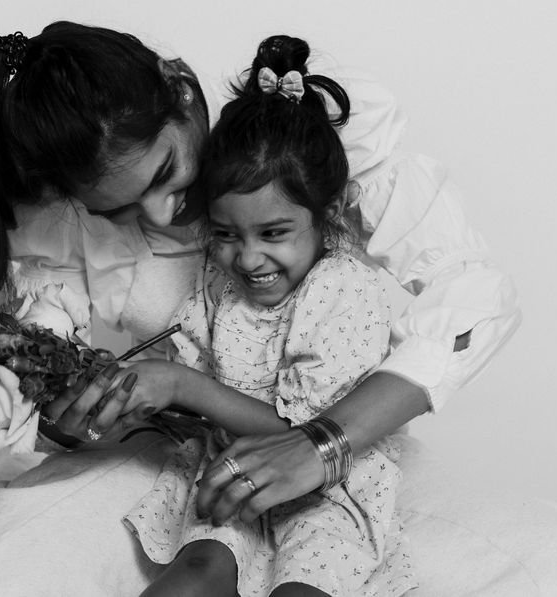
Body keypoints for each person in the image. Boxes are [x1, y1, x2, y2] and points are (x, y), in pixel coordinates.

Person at [0, 22, 557, 596]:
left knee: (533, 566)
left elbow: (474, 292)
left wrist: (322, 442)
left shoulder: (302, 149)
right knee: (9, 565)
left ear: (183, 95)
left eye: (163, 173)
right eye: (117, 208)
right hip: (192, 468)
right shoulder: (70, 234)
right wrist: (66, 410)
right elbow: (51, 377)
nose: (160, 212)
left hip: (351, 451)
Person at [112, 36, 417, 597]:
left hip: (329, 482)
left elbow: (299, 434)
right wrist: (134, 396)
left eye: (273, 233)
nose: (247, 258)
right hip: (232, 471)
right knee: (195, 573)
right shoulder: (216, 280)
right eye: (227, 235)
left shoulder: (343, 289)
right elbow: (185, 377)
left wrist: (183, 385)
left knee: (303, 587)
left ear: (326, 215)